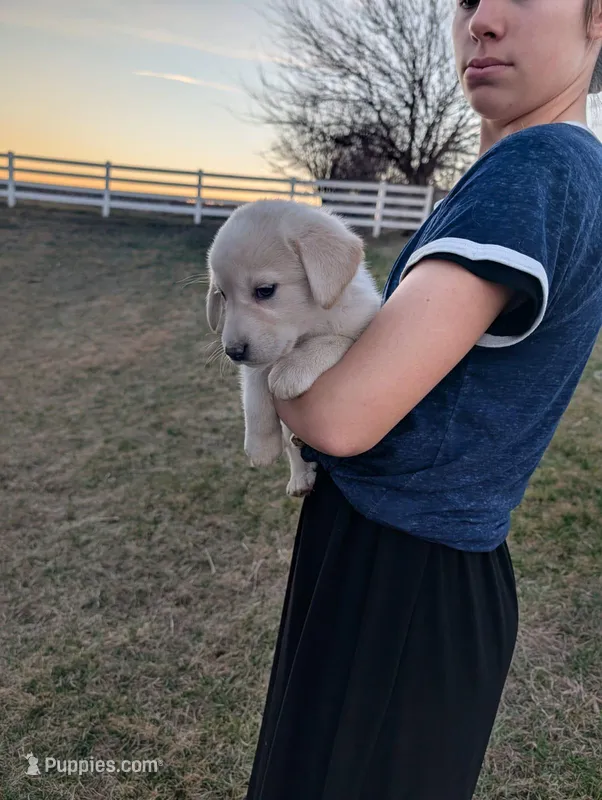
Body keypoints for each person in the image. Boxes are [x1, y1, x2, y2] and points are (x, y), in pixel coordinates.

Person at [244, 1, 602, 798]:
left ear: (596, 19)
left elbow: (338, 415)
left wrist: (267, 370)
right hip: (434, 572)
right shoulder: (567, 172)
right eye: (470, 0)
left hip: (397, 585)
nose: (482, 21)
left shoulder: (535, 170)